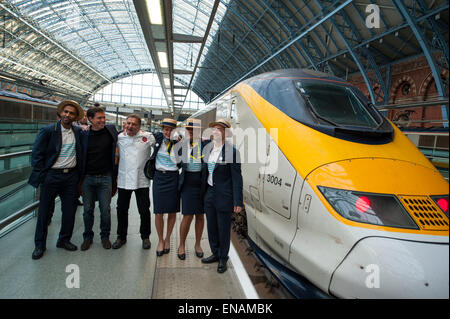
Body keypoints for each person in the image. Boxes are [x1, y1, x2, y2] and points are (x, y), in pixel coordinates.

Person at [29, 100, 84, 260]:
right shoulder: (48, 131)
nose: (67, 115)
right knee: (44, 212)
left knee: (69, 211)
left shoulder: (78, 131)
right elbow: (37, 155)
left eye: (71, 113)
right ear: (60, 113)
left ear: (75, 117)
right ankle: (39, 245)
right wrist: (43, 175)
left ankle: (64, 240)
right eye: (65, 111)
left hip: (71, 177)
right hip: (51, 176)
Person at [201, 119, 243, 273]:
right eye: (214, 129)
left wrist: (238, 200)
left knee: (223, 229)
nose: (216, 132)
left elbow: (237, 178)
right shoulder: (208, 149)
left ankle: (223, 258)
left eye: (220, 129)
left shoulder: (232, 152)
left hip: (224, 196)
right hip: (209, 192)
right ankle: (215, 253)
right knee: (211, 226)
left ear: (225, 133)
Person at [112, 114, 155, 250]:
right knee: (122, 210)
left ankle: (145, 237)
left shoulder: (148, 137)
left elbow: (161, 145)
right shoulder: (119, 137)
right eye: (128, 123)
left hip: (141, 180)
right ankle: (121, 237)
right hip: (124, 179)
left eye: (133, 124)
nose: (130, 126)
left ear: (139, 126)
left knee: (144, 210)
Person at [79, 106, 118, 251]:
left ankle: (105, 236)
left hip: (105, 177)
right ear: (90, 119)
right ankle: (87, 237)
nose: (102, 120)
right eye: (99, 118)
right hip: (88, 178)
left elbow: (126, 133)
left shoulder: (111, 130)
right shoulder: (83, 134)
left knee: (105, 209)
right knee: (87, 209)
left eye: (103, 117)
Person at [148, 118, 180, 256]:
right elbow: (141, 135)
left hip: (173, 178)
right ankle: (160, 240)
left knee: (172, 211)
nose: (168, 132)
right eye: (166, 129)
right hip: (159, 178)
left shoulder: (180, 144)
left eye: (171, 130)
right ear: (162, 130)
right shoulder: (157, 139)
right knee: (159, 212)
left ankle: (168, 239)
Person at [175, 119, 206, 260]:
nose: (191, 132)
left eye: (194, 130)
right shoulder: (181, 145)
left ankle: (198, 245)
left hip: (202, 183)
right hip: (188, 183)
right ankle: (181, 245)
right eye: (189, 130)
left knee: (200, 216)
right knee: (187, 216)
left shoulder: (206, 144)